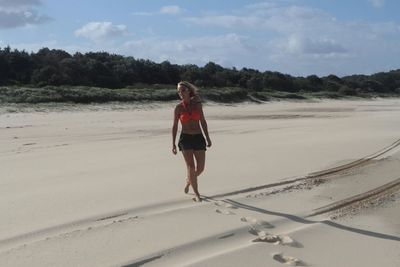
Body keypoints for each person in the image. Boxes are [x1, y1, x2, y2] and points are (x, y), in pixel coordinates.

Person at [172, 81, 212, 202]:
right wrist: (173, 143)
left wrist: (208, 137)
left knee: (200, 168)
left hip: (199, 137)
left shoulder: (197, 105)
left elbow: (203, 122)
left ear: (189, 91)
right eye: (179, 91)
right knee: (191, 166)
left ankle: (189, 181)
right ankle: (197, 194)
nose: (181, 93)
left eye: (183, 90)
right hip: (185, 139)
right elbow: (174, 126)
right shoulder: (178, 108)